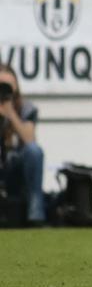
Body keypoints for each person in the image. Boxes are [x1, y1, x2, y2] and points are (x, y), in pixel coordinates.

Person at [0, 64, 44, 226]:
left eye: (8, 86)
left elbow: (29, 140)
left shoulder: (26, 107)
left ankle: (36, 214)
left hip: (16, 166)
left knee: (34, 151)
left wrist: (10, 114)